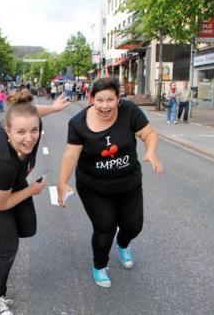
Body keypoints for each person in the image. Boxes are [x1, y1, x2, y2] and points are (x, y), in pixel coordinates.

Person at [0, 89, 69, 314]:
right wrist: (31, 190)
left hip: (12, 179)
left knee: (28, 227)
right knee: (8, 246)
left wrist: (55, 108)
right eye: (21, 132)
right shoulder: (2, 161)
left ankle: (3, 226)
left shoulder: (26, 118)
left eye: (34, 130)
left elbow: (33, 112)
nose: (29, 138)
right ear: (8, 131)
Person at [57, 77, 164, 288]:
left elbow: (149, 133)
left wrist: (151, 152)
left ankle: (123, 244)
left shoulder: (129, 112)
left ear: (118, 99)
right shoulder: (78, 123)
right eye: (100, 100)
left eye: (110, 100)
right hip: (94, 186)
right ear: (91, 99)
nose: (105, 106)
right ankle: (100, 265)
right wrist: (62, 182)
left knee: (133, 226)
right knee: (105, 227)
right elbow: (70, 155)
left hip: (128, 182)